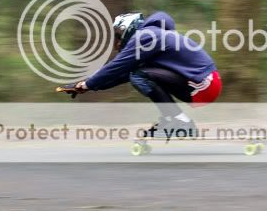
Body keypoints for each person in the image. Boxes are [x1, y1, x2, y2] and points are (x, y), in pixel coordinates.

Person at [61, 12, 222, 138]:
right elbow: (124, 73)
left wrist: (88, 84)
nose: (117, 41)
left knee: (140, 75)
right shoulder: (151, 37)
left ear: (128, 28)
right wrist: (89, 86)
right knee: (138, 74)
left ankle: (179, 121)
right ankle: (175, 120)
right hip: (205, 83)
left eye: (119, 33)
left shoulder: (145, 36)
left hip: (204, 84)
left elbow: (117, 66)